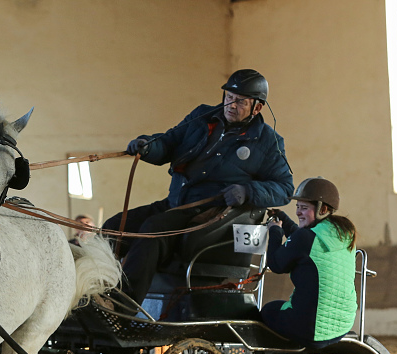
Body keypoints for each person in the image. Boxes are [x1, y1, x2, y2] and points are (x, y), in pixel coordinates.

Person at [102, 69, 294, 306]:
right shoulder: (202, 116)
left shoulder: (268, 141)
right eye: (229, 97)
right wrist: (148, 146)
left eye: (241, 101)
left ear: (257, 107)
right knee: (112, 228)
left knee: (153, 230)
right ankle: (99, 296)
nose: (231, 105)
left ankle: (123, 307)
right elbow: (170, 142)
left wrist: (248, 191)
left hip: (209, 216)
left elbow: (285, 188)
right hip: (175, 204)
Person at [261, 177, 358, 348]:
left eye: (304, 208)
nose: (298, 212)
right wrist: (284, 220)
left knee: (268, 311)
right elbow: (302, 243)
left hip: (311, 328)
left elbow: (276, 264)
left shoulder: (306, 238)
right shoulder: (343, 233)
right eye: (297, 207)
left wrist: (275, 231)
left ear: (323, 209)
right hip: (341, 325)